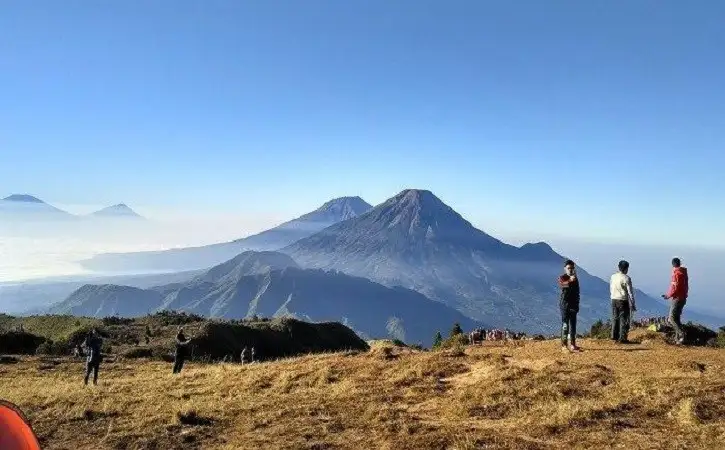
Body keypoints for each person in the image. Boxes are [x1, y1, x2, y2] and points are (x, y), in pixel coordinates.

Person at [663, 257, 689, 344]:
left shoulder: (676, 274)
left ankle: (681, 335)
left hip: (677, 298)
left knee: (671, 319)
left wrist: (668, 296)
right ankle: (678, 339)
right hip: (683, 297)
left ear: (672, 265)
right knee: (677, 318)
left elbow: (675, 288)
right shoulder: (683, 273)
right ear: (680, 263)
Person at [610, 260, 637, 343]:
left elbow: (611, 288)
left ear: (618, 267)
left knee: (615, 318)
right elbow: (630, 293)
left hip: (614, 299)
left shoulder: (613, 276)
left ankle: (614, 336)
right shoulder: (627, 278)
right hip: (623, 300)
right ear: (626, 269)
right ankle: (622, 338)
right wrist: (633, 304)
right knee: (623, 319)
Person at [558, 259, 581, 352]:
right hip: (565, 304)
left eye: (572, 268)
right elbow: (562, 285)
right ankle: (564, 345)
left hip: (573, 304)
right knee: (565, 325)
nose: (570, 270)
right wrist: (570, 281)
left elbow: (577, 292)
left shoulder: (576, 279)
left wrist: (577, 304)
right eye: (568, 268)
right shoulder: (562, 277)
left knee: (573, 325)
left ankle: (573, 344)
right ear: (565, 269)